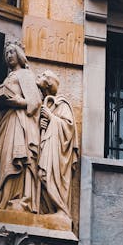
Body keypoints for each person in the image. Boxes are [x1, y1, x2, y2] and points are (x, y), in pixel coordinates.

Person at [0, 42, 42, 213]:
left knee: (15, 158)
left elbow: (35, 102)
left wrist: (19, 102)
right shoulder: (9, 78)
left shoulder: (25, 74)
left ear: (19, 54)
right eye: (6, 53)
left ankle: (16, 198)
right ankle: (4, 200)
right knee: (3, 160)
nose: (9, 55)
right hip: (6, 122)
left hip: (19, 122)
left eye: (12, 52)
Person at [36, 70, 79, 221]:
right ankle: (48, 210)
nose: (38, 76)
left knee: (46, 176)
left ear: (48, 82)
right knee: (42, 175)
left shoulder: (61, 103)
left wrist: (51, 118)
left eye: (41, 75)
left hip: (58, 153)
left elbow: (69, 126)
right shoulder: (44, 103)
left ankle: (61, 209)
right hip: (47, 145)